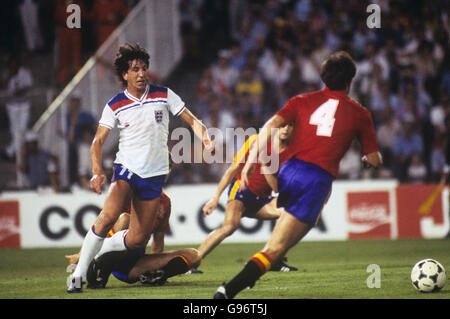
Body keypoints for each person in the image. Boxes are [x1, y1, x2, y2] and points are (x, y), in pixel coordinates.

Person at [214, 51, 382, 299]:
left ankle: (264, 256)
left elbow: (269, 125)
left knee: (286, 234)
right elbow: (375, 160)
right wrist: (367, 160)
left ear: (324, 78)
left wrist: (250, 160)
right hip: (316, 179)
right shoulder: (360, 113)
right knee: (276, 248)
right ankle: (228, 291)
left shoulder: (301, 100)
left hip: (288, 171)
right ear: (351, 80)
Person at [67, 43, 214, 293]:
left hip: (154, 177)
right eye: (135, 69)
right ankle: (78, 277)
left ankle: (100, 252)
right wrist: (96, 171)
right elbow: (98, 141)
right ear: (125, 74)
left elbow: (191, 120)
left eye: (144, 68)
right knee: (107, 217)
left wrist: (207, 139)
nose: (141, 73)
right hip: (126, 171)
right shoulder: (115, 104)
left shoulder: (165, 95)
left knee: (136, 239)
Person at [192, 124, 297, 274]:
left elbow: (276, 189)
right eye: (282, 125)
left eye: (290, 126)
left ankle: (274, 259)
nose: (286, 129)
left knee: (291, 215)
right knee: (229, 227)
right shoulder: (256, 141)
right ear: (276, 127)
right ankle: (192, 262)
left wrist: (267, 168)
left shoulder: (291, 153)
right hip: (241, 193)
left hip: (262, 200)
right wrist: (215, 198)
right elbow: (233, 169)